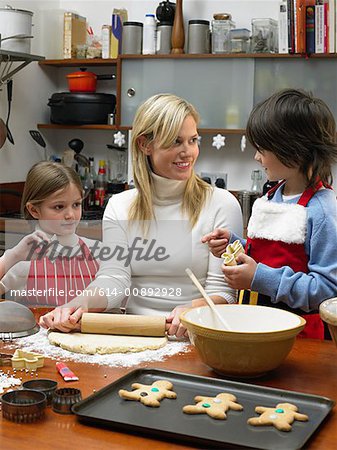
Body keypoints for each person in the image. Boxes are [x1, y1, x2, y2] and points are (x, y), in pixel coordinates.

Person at [39, 93, 243, 336]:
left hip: (197, 335)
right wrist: (79, 304)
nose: (188, 152)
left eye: (193, 140)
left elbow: (225, 292)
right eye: (175, 142)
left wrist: (192, 310)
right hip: (134, 336)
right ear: (145, 144)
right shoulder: (120, 206)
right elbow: (114, 278)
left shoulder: (221, 204)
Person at [202, 88, 337, 339]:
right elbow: (268, 254)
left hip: (298, 337)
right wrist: (234, 245)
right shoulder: (271, 195)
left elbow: (327, 290)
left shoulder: (322, 210)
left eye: (263, 149)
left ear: (293, 150)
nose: (256, 157)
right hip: (256, 324)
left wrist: (258, 278)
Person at [0, 161, 101, 307]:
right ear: (34, 210)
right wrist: (12, 256)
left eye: (76, 204)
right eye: (59, 207)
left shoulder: (96, 251)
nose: (70, 215)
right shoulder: (23, 262)